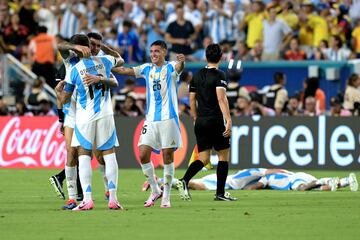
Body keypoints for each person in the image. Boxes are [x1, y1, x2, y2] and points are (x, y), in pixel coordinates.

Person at [50, 33, 122, 209]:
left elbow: (64, 97)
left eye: (98, 45)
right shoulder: (71, 60)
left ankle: (98, 194)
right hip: (75, 113)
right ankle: (73, 198)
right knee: (72, 152)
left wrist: (58, 93)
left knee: (92, 154)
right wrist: (75, 47)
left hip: (83, 112)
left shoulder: (83, 66)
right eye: (92, 45)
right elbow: (60, 46)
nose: (95, 48)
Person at [112, 40, 185, 208]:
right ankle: (155, 189)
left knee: (167, 156)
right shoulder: (146, 69)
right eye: (151, 51)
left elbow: (180, 68)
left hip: (169, 119)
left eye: (157, 51)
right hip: (151, 119)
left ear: (164, 52)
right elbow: (125, 70)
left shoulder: (171, 67)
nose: (153, 54)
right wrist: (105, 67)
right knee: (143, 153)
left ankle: (166, 195)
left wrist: (182, 62)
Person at [176, 43, 235, 202]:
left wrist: (195, 117)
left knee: (203, 158)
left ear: (206, 57)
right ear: (221, 57)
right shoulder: (220, 75)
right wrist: (228, 119)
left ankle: (184, 180)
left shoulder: (197, 75)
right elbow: (221, 98)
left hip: (200, 120)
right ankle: (220, 193)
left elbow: (192, 99)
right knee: (223, 155)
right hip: (215, 119)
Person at [247, 171, 358, 192]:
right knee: (317, 189)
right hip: (300, 175)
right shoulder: (276, 173)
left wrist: (245, 187)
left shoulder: (265, 178)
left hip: (293, 181)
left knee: (302, 188)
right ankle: (347, 180)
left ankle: (323, 180)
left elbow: (254, 187)